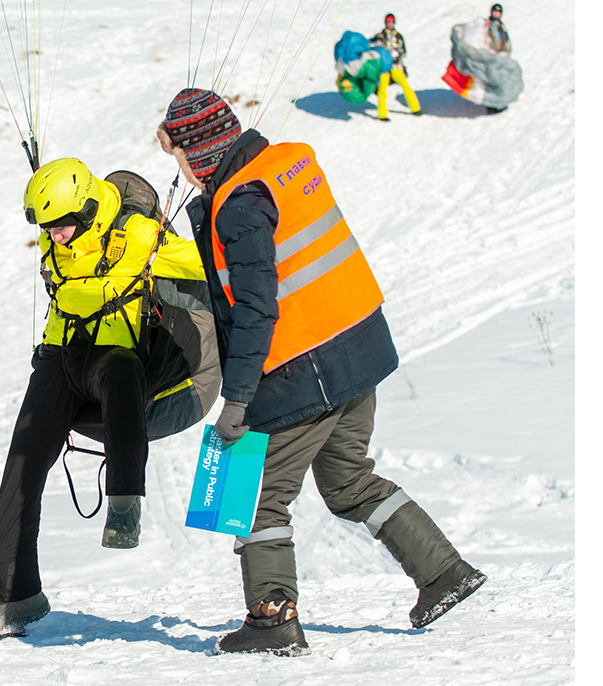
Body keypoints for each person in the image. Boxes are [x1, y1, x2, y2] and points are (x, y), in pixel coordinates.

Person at [156, 88, 486, 656]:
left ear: (200, 150)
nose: (178, 168)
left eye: (178, 154)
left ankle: (273, 619)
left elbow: (258, 308)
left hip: (302, 371)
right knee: (348, 481)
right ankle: (443, 572)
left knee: (258, 499)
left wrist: (236, 401)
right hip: (358, 351)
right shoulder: (286, 164)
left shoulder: (238, 205)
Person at [0, 157, 206, 633]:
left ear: (86, 210)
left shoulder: (140, 237)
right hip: (62, 356)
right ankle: (17, 594)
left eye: (61, 225)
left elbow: (204, 263)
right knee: (23, 458)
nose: (54, 236)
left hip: (116, 357)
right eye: (47, 227)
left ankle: (124, 506)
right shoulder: (53, 235)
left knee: (123, 374)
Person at [367, 14, 421, 120]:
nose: (390, 24)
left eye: (392, 22)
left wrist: (404, 68)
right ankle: (382, 114)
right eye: (388, 22)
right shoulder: (380, 37)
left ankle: (415, 108)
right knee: (382, 90)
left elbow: (403, 53)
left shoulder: (398, 37)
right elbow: (372, 48)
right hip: (384, 68)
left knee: (405, 85)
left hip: (395, 67)